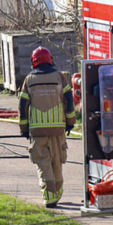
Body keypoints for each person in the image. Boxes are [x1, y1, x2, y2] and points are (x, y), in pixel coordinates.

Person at [19, 47, 76, 207]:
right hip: (58, 130)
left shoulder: (29, 80)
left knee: (43, 163)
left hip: (37, 132)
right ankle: (56, 194)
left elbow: (23, 106)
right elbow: (69, 101)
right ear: (50, 59)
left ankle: (49, 197)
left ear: (33, 62)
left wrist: (24, 129)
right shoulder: (59, 77)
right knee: (57, 162)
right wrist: (70, 124)